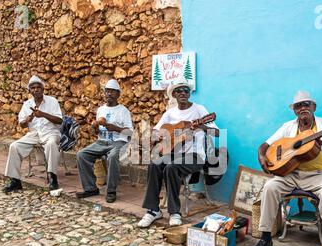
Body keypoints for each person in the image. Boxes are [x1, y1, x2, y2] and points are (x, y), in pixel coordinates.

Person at [248, 90, 322, 246]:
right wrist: (262, 157)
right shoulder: (288, 127)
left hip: (319, 175)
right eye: (298, 106)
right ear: (294, 110)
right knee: (270, 186)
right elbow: (265, 145)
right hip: (292, 174)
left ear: (313, 107)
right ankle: (265, 239)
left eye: (306, 104)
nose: (303, 108)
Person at [137, 78, 220, 228]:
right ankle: (153, 210)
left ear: (189, 94)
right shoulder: (170, 113)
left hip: (195, 156)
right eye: (179, 90)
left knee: (171, 167)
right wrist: (161, 136)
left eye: (186, 90)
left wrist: (202, 126)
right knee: (154, 163)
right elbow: (156, 131)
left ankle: (174, 212)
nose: (183, 93)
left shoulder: (199, 110)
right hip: (174, 153)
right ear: (174, 94)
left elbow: (217, 133)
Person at [75, 79, 133, 203]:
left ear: (118, 94)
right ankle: (90, 188)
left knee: (112, 156)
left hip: (119, 142)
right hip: (102, 142)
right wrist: (95, 128)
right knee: (81, 154)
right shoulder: (101, 110)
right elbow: (98, 133)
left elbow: (130, 133)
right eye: (107, 91)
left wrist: (115, 128)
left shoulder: (123, 111)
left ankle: (111, 191)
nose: (109, 94)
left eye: (112, 91)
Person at [4, 75, 63, 193]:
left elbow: (60, 121)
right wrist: (27, 120)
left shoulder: (52, 101)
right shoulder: (27, 104)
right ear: (29, 90)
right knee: (14, 146)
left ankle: (52, 177)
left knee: (51, 144)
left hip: (50, 132)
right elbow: (22, 125)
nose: (36, 89)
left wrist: (43, 114)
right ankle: (15, 181)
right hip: (34, 134)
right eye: (33, 88)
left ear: (43, 89)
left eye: (38, 87)